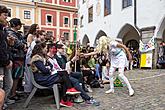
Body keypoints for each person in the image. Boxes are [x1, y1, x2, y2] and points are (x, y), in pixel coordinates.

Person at [30, 42, 80, 107]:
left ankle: (65, 98)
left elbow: (50, 66)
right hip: (41, 79)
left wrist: (47, 68)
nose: (46, 49)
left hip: (45, 77)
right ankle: (67, 93)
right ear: (41, 49)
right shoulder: (37, 58)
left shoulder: (43, 58)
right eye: (45, 48)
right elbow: (45, 70)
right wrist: (48, 68)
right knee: (64, 75)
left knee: (64, 76)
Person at [7, 18, 26, 101]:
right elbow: (17, 44)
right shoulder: (10, 33)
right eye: (19, 24)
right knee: (15, 76)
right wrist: (23, 45)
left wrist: (23, 45)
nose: (20, 26)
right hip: (15, 57)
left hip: (20, 56)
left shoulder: (17, 34)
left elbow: (23, 42)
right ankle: (12, 94)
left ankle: (14, 92)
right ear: (15, 25)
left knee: (18, 76)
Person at [0, 5, 14, 109]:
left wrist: (9, 43)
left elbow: (4, 46)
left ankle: (3, 102)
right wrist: (6, 61)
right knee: (1, 86)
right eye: (5, 15)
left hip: (5, 60)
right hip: (2, 62)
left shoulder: (3, 30)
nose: (6, 17)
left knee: (9, 83)